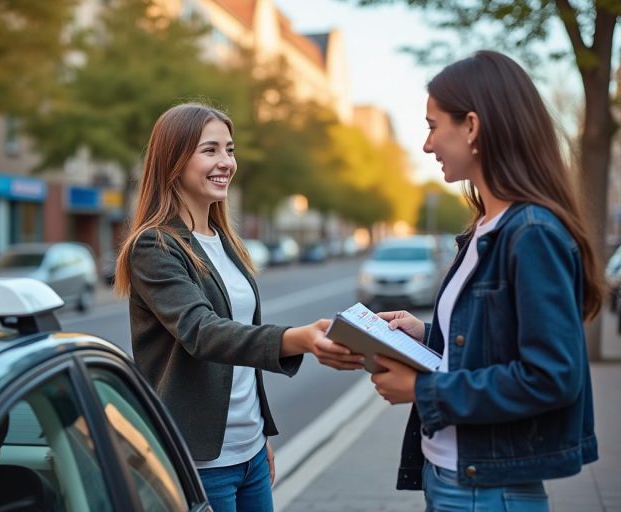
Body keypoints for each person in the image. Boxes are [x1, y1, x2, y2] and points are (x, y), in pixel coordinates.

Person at [370, 50, 602, 511]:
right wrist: (426, 335)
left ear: (472, 127)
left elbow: (552, 376)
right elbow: (492, 341)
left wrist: (421, 390)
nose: (427, 144)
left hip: (486, 491)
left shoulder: (531, 233)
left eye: (433, 126)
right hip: (451, 476)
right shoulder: (483, 229)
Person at [114, 102, 364, 511]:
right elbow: (203, 331)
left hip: (249, 454)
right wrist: (295, 339)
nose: (226, 162)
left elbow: (238, 352)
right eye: (209, 150)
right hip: (200, 462)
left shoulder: (223, 240)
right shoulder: (154, 246)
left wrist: (259, 435)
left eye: (229, 150)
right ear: (173, 160)